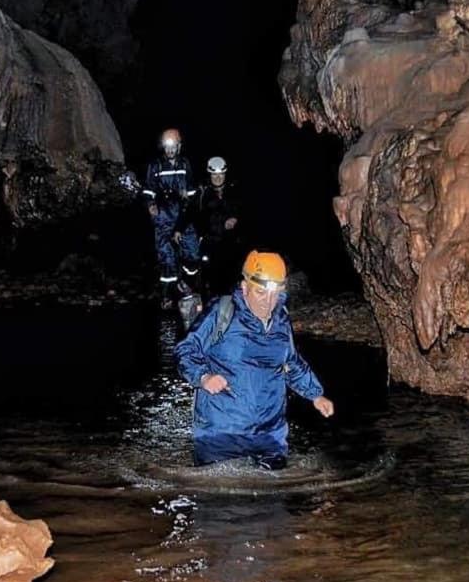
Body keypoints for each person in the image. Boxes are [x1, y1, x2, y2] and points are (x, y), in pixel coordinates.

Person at [174, 250, 334, 469]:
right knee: (220, 500)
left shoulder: (281, 319)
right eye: (260, 292)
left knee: (272, 499)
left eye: (275, 293)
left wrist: (316, 395)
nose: (268, 302)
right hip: (221, 435)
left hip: (269, 437)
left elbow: (291, 363)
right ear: (245, 286)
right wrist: (203, 376)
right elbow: (186, 349)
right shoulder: (222, 313)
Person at [141, 128, 202, 309]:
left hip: (183, 218)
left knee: (192, 255)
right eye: (167, 146)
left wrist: (189, 202)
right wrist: (150, 204)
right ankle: (167, 297)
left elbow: (192, 195)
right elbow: (147, 190)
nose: (170, 150)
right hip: (163, 219)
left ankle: (187, 285)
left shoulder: (185, 165)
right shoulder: (156, 165)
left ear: (179, 146)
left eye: (173, 146)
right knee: (167, 259)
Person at [177, 156, 243, 300]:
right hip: (210, 244)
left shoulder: (235, 190)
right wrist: (178, 229)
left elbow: (245, 212)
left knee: (232, 284)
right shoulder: (202, 193)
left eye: (221, 174)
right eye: (214, 175)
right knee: (209, 285)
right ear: (210, 174)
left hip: (231, 245)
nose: (218, 178)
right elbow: (189, 213)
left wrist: (236, 219)